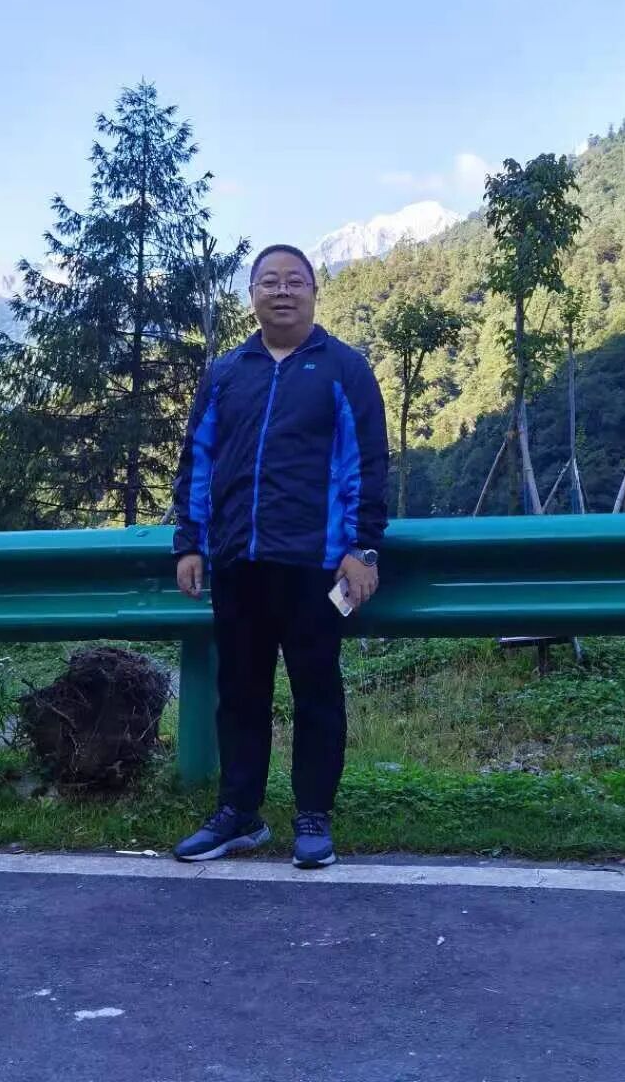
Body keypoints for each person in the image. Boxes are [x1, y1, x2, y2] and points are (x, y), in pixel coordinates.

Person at [171, 244, 388, 867]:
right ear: (253, 296)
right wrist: (190, 542)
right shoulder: (226, 372)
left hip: (316, 564)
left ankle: (313, 815)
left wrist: (363, 549)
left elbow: (368, 464)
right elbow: (198, 460)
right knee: (240, 693)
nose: (283, 291)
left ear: (315, 292)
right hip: (238, 562)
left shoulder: (344, 368)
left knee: (316, 691)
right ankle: (238, 814)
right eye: (270, 281)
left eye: (296, 281)